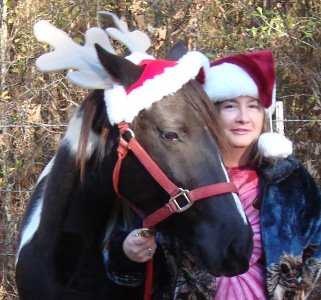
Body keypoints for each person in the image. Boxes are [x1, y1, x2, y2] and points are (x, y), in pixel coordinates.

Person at [105, 50, 321, 299]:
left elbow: (315, 245)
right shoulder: (171, 171)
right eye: (230, 106)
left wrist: (295, 292)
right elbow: (124, 260)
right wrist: (127, 254)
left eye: (253, 106)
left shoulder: (289, 179)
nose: (243, 117)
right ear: (208, 115)